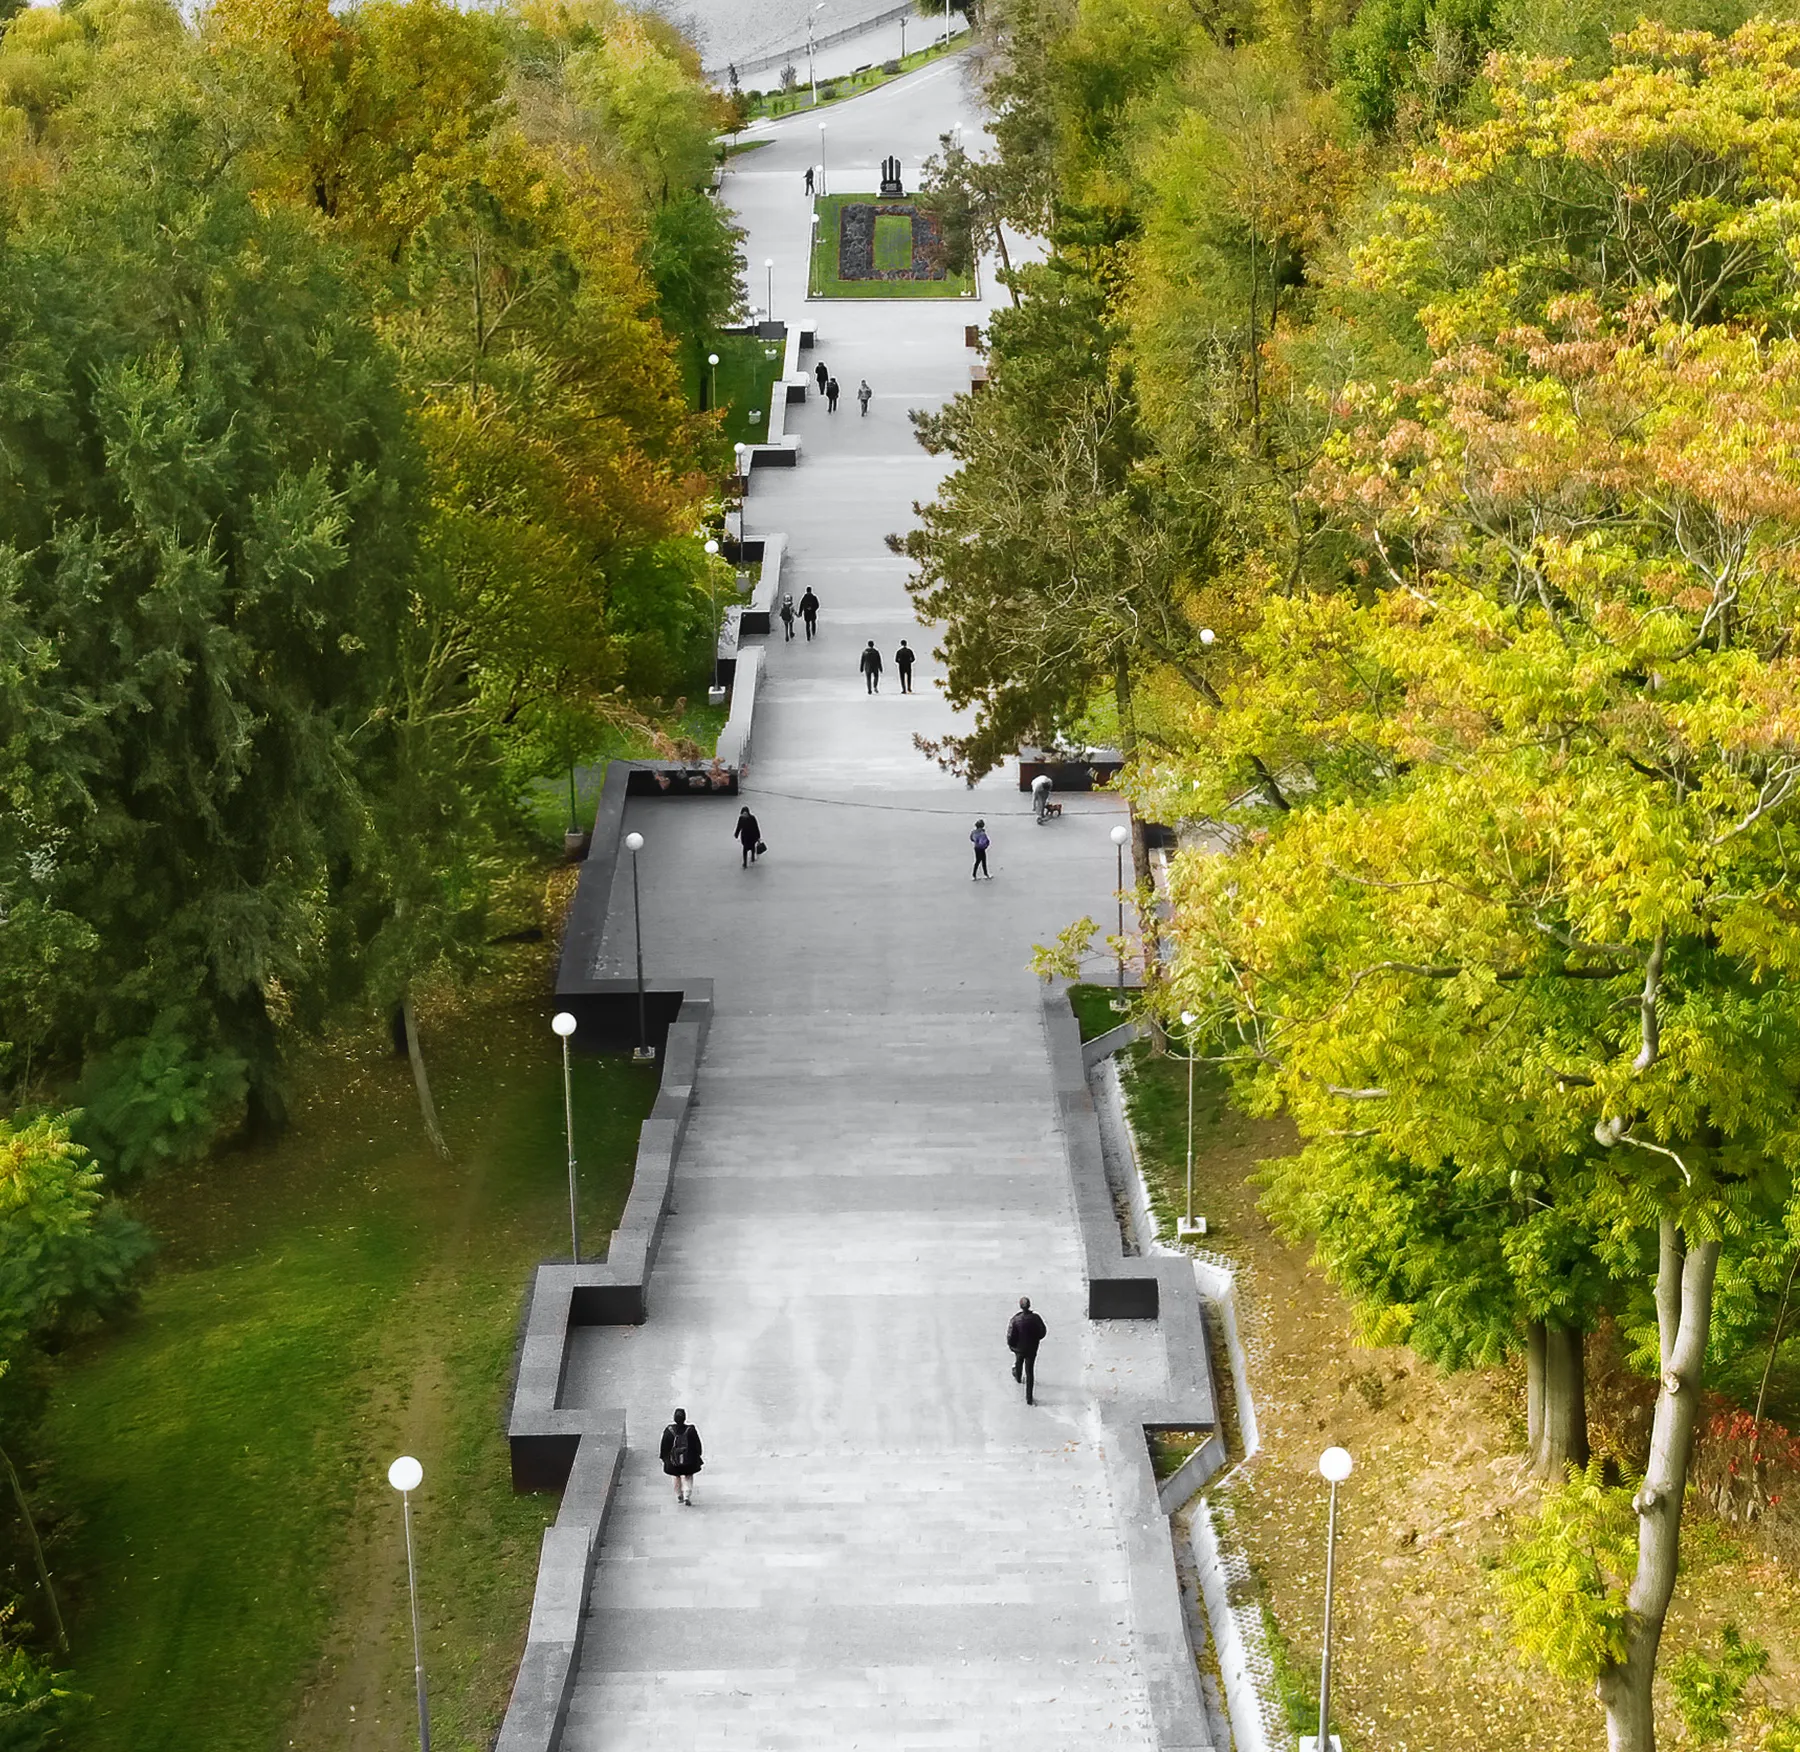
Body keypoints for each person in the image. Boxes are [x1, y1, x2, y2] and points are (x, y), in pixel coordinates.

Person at [1006, 1297, 1047, 1405]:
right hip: (1032, 1348)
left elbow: (1010, 1335)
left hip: (1019, 1348)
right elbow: (1043, 1331)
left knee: (1018, 1362)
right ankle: (1029, 1397)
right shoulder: (1036, 1318)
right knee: (1030, 1371)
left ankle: (1018, 1377)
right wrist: (1036, 1339)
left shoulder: (1015, 1319)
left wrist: (1012, 1345)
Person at [660, 1407, 704, 1505]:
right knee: (688, 1476)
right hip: (689, 1461)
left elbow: (664, 1446)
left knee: (676, 1477)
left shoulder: (669, 1430)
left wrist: (664, 1458)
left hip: (673, 1461)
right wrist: (698, 1456)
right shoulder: (691, 1430)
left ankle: (678, 1494)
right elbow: (697, 1445)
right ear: (685, 1418)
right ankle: (687, 1495)